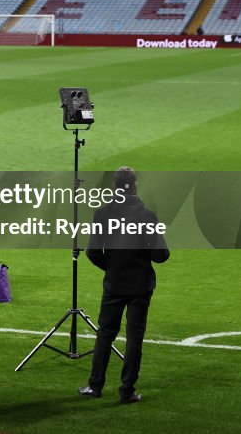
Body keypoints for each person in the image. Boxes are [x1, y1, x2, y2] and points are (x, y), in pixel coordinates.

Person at [79, 166, 170, 404]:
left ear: (115, 187)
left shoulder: (102, 215)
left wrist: (111, 267)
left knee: (105, 334)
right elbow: (161, 255)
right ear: (135, 186)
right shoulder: (147, 216)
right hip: (140, 286)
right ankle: (126, 390)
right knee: (134, 338)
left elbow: (92, 252)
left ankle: (95, 386)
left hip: (114, 285)